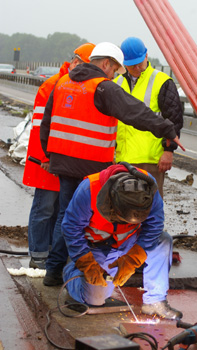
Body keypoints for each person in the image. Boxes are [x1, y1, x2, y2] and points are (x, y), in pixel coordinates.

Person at [40, 41, 185, 286]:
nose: (116, 74)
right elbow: (135, 112)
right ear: (106, 63)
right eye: (115, 69)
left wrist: (48, 153)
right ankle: (87, 268)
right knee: (92, 218)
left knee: (68, 215)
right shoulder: (102, 87)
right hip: (92, 163)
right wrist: (167, 130)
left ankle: (54, 270)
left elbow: (47, 122)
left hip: (63, 161)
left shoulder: (62, 83)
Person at [62, 162, 183, 320]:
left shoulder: (148, 188)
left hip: (129, 241)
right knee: (95, 299)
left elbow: (154, 225)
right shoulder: (89, 189)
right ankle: (71, 272)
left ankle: (155, 300)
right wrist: (86, 262)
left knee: (163, 240)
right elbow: (71, 227)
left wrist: (133, 258)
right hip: (97, 247)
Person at [23, 43, 95, 269]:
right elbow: (38, 127)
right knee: (44, 208)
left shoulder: (81, 87)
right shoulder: (52, 86)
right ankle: (38, 255)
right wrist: (45, 158)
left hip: (65, 161)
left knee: (58, 211)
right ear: (75, 63)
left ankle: (53, 255)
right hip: (47, 160)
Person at [114, 37, 183, 197]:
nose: (137, 68)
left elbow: (174, 120)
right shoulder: (117, 83)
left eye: (140, 63)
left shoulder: (162, 81)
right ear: (124, 63)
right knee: (124, 208)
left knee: (150, 209)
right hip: (123, 158)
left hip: (150, 160)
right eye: (132, 65)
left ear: (146, 56)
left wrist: (168, 151)